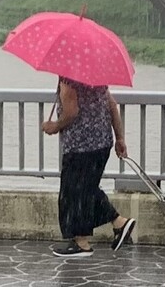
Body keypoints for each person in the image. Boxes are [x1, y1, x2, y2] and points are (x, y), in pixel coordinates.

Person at [41, 76, 136, 257]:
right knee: (87, 189)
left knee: (71, 194)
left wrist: (54, 126)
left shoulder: (68, 80)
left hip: (80, 146)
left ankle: (81, 243)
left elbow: (71, 112)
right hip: (102, 143)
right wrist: (120, 138)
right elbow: (112, 106)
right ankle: (119, 223)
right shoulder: (97, 79)